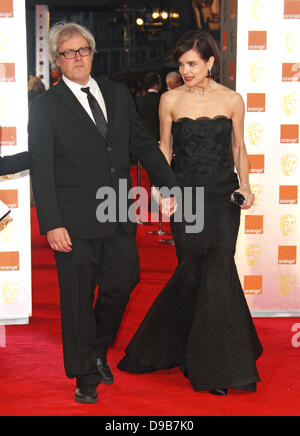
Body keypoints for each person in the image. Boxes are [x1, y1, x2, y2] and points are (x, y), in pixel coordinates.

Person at [28, 22, 177, 405]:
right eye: (68, 52)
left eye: (83, 50)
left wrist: (167, 183)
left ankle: (98, 346)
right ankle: (84, 374)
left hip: (118, 211)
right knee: (77, 300)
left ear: (93, 53)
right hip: (72, 221)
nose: (77, 58)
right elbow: (42, 167)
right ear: (56, 61)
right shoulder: (45, 106)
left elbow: (142, 142)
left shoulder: (115, 93)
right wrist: (52, 222)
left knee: (123, 282)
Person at [118, 30, 263, 396]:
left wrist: (245, 186)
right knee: (193, 271)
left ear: (210, 62)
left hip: (222, 196)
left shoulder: (232, 100)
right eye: (181, 64)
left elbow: (239, 147)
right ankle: (197, 353)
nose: (185, 70)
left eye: (192, 63)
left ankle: (213, 363)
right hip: (185, 198)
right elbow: (164, 151)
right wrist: (164, 192)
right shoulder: (169, 100)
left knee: (217, 270)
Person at [136, 73, 162, 143]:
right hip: (159, 136)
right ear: (157, 83)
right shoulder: (161, 99)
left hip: (144, 136)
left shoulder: (139, 100)